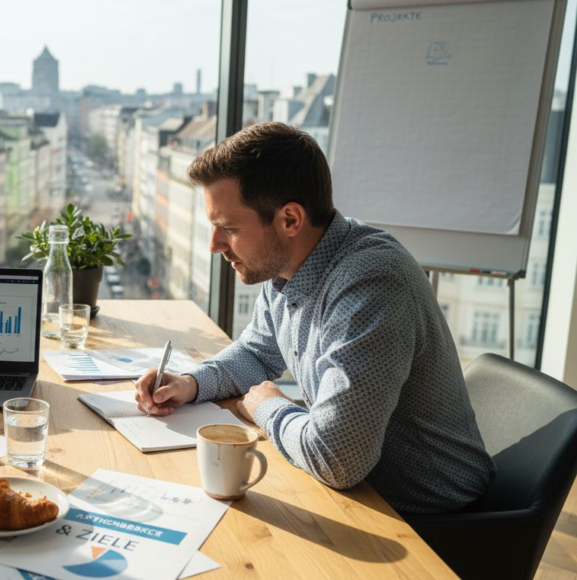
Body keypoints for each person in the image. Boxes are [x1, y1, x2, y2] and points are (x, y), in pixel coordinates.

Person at [134, 122, 495, 514]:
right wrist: (189, 383)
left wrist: (268, 406)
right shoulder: (287, 267)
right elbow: (257, 354)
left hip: (428, 520)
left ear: (290, 219)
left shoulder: (372, 283)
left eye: (228, 228)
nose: (214, 245)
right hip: (359, 495)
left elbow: (337, 460)